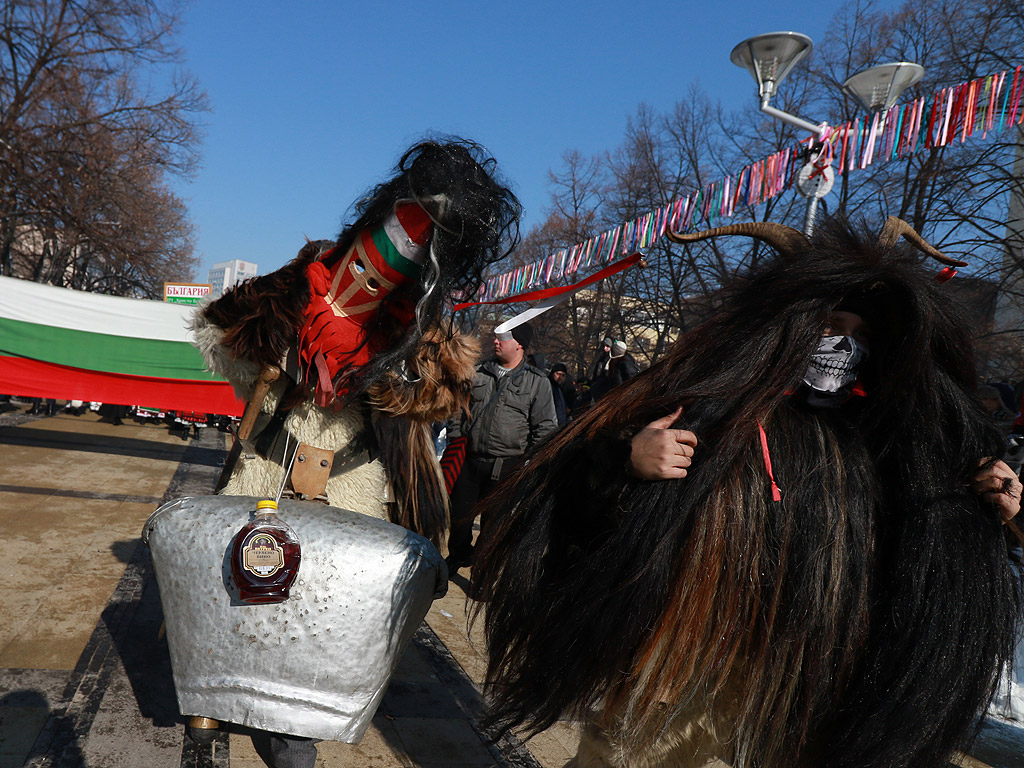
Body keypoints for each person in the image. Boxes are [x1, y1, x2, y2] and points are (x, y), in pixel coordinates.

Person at [472, 218, 1023, 768]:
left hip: (807, 678)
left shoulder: (887, 438)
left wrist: (985, 509)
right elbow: (577, 498)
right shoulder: (716, 407)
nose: (843, 345)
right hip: (687, 661)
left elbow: (920, 546)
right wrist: (629, 463)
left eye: (860, 335)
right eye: (832, 326)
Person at [182, 139, 521, 768]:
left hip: (350, 495)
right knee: (237, 595)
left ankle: (288, 727)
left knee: (315, 620)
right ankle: (213, 706)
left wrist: (398, 366)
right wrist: (280, 323)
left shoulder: (417, 338)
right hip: (268, 478)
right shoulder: (291, 297)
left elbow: (436, 403)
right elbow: (220, 337)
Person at [442, 321, 557, 573]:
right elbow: (458, 409)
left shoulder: (537, 382)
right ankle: (460, 554)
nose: (495, 341)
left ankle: (482, 573)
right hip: (469, 460)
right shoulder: (478, 372)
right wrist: (455, 438)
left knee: (493, 524)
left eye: (502, 338)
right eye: (495, 337)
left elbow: (545, 427)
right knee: (459, 516)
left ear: (519, 345)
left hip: (507, 465)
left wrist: (530, 463)